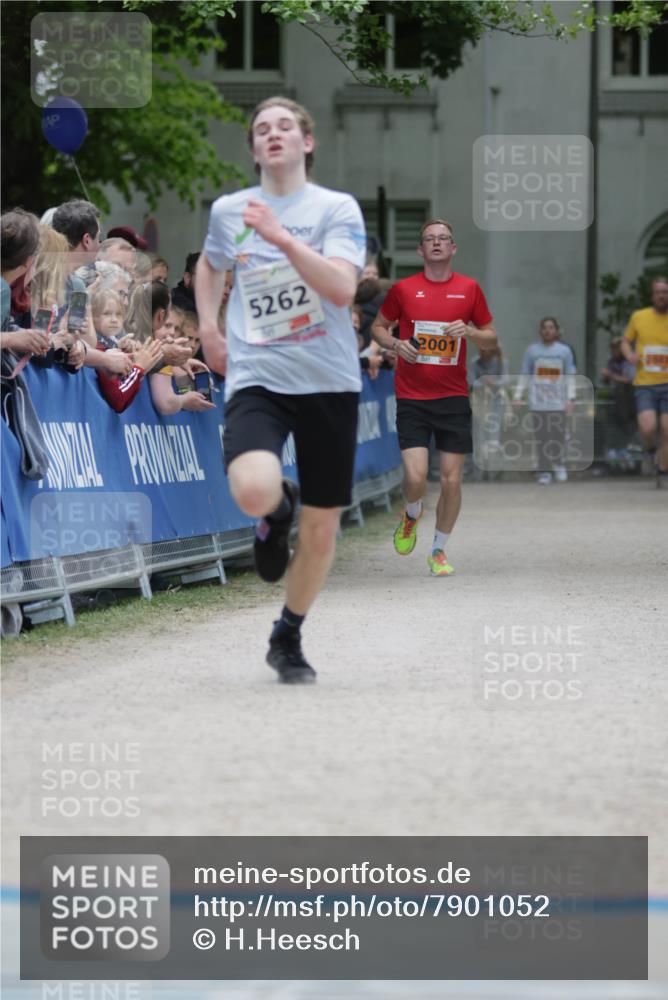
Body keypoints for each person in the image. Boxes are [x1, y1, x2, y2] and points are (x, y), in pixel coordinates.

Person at [196, 95, 365, 684]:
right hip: (258, 375)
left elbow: (341, 289)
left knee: (321, 530)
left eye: (286, 126)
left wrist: (283, 239)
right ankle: (274, 510)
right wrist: (209, 327)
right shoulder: (230, 210)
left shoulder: (334, 208)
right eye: (262, 128)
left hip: (328, 380)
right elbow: (211, 264)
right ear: (252, 148)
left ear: (306, 142)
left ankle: (287, 634)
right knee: (252, 489)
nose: (273, 134)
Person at [371, 218, 496, 576]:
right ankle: (412, 514)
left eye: (443, 238)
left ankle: (438, 550)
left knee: (452, 481)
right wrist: (396, 344)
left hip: (453, 397)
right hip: (412, 396)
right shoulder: (403, 289)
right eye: (430, 238)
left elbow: (491, 338)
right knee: (416, 478)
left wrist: (470, 331)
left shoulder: (469, 289)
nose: (437, 242)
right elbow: (377, 328)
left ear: (453, 248)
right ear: (420, 249)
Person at [514, 317, 576, 486]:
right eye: (544, 327)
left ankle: (559, 463)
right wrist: (518, 395)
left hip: (558, 402)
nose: (547, 330)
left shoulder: (564, 351)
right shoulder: (532, 351)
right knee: (542, 436)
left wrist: (571, 398)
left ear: (556, 331)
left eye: (551, 327)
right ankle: (544, 471)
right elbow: (525, 374)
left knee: (557, 434)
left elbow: (570, 375)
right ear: (540, 331)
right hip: (538, 402)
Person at [621, 276, 668, 483]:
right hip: (645, 383)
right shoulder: (639, 317)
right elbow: (625, 341)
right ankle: (650, 450)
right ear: (652, 296)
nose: (662, 296)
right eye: (658, 292)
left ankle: (662, 472)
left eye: (665, 292)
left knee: (666, 429)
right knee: (648, 427)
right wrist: (629, 355)